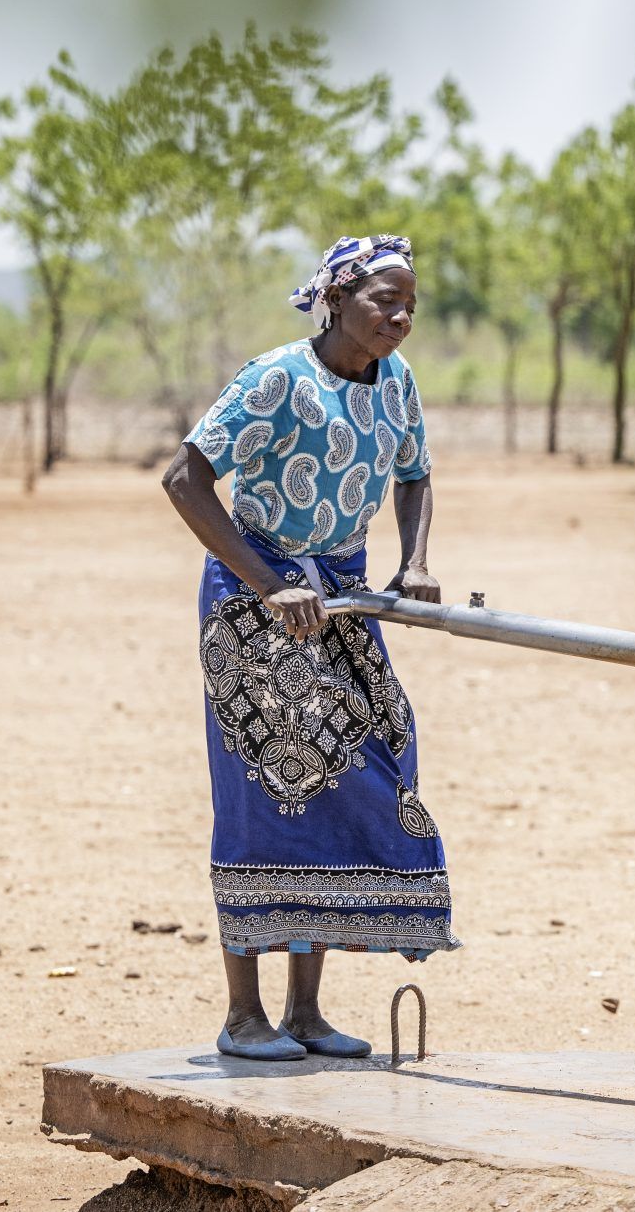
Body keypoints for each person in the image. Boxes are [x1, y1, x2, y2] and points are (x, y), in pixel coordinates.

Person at [160, 233, 455, 1063]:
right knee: (266, 791)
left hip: (343, 598)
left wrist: (417, 561)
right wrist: (266, 582)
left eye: (408, 304)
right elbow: (185, 478)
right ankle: (243, 1016)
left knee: (354, 772)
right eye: (382, 300)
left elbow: (416, 470)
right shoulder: (276, 377)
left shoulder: (396, 383)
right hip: (253, 608)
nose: (399, 317)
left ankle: (307, 1014)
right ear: (336, 297)